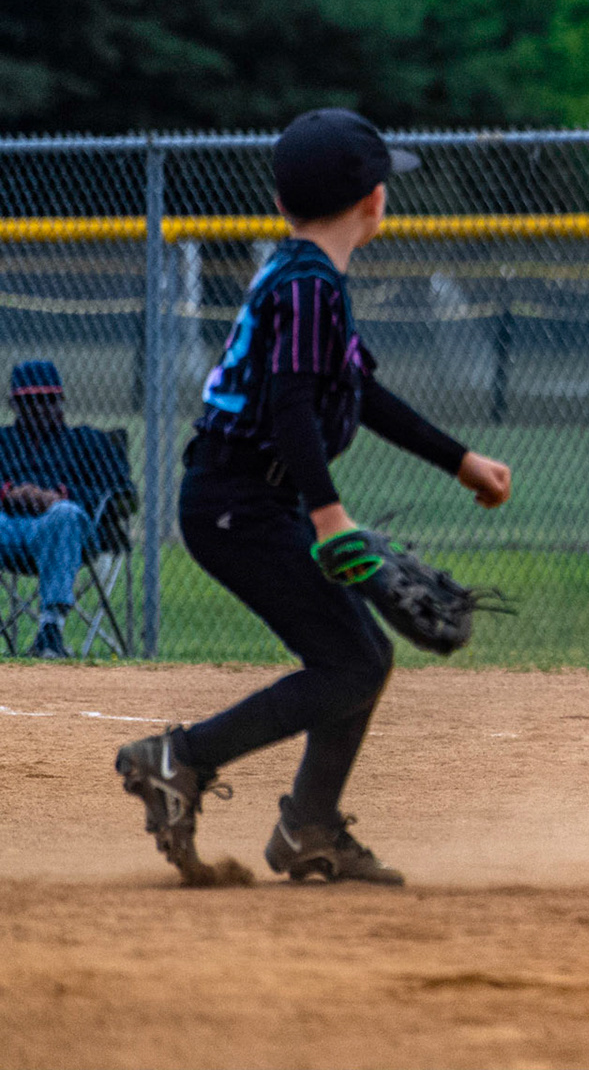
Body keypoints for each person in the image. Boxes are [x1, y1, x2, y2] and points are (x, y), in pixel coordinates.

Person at [113, 109, 513, 885]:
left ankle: (310, 829)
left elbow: (357, 390)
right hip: (239, 504)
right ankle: (181, 760)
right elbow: (293, 402)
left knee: (359, 656)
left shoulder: (306, 281)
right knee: (352, 662)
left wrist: (460, 461)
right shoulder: (307, 289)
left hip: (246, 499)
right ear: (373, 201)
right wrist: (331, 520)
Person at [0, 360, 135, 658]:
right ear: (14, 404)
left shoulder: (86, 442)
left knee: (64, 515)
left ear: (60, 401)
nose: (39, 409)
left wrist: (61, 495)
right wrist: (9, 493)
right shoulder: (3, 441)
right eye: (30, 401)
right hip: (8, 527)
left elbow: (124, 494)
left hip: (67, 534)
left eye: (47, 400)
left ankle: (50, 631)